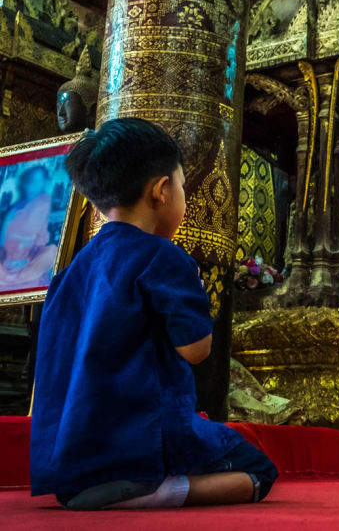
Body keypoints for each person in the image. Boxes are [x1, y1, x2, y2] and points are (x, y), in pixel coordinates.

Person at [30, 118, 277, 511]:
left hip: (71, 461)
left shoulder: (68, 274)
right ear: (161, 190)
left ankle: (114, 486)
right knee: (259, 469)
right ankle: (164, 490)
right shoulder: (163, 257)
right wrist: (193, 288)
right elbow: (196, 350)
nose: (183, 198)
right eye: (182, 187)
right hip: (142, 444)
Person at [0, 165, 59, 292]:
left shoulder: (44, 203)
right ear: (24, 184)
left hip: (29, 260)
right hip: (6, 261)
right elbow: (3, 240)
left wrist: (25, 259)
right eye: (31, 181)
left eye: (39, 181)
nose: (33, 186)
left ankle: (15, 277)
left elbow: (40, 239)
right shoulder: (15, 208)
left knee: (51, 252)